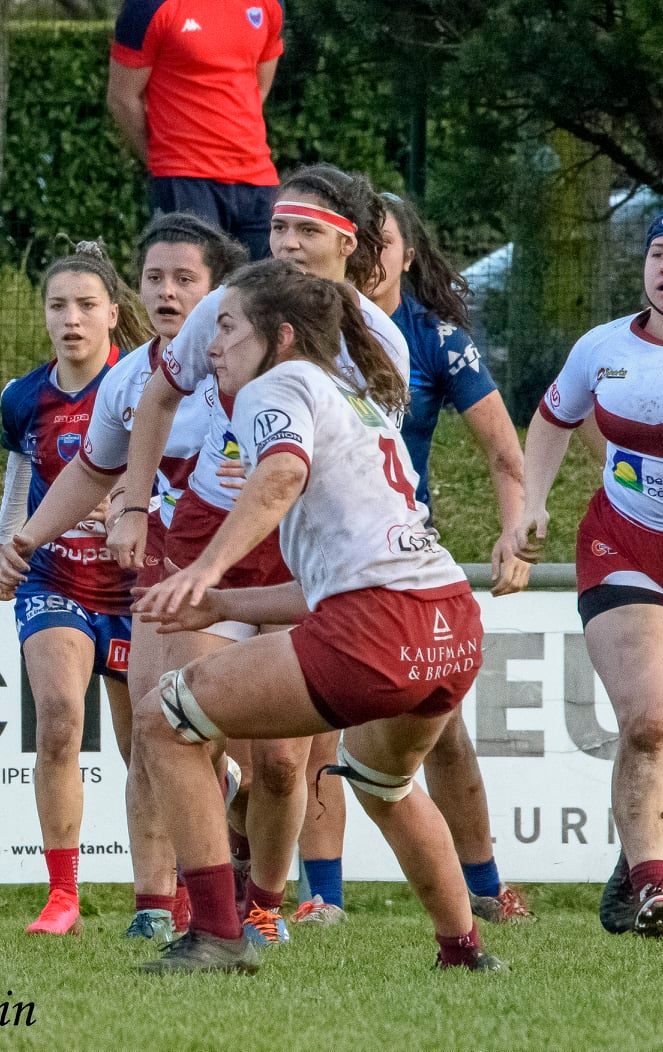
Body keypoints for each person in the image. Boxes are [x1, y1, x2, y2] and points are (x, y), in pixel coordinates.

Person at [132, 259, 500, 973]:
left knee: (161, 719)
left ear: (283, 335)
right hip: (451, 626)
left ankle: (217, 933)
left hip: (378, 629)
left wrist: (206, 565)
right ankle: (464, 950)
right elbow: (338, 579)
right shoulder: (353, 401)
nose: (213, 344)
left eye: (229, 325)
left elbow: (281, 474)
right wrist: (224, 602)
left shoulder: (278, 384)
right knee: (385, 785)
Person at [95, 163, 409, 946]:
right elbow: (159, 398)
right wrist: (136, 507)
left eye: (307, 230)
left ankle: (262, 903)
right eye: (278, 227)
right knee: (170, 718)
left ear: (349, 244)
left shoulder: (379, 342)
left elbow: (338, 476)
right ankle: (196, 913)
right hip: (213, 534)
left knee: (280, 764)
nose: (289, 242)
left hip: (307, 558)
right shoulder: (226, 311)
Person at [287, 190, 532, 925]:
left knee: (443, 726)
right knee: (318, 723)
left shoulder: (433, 338)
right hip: (311, 552)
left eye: (380, 242)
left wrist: (514, 533)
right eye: (356, 239)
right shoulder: (293, 328)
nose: (366, 254)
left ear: (408, 256)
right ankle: (320, 898)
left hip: (398, 559)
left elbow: (503, 451)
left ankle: (484, 886)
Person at [22, 213, 246, 942]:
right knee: (158, 728)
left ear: (216, 290)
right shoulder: (128, 379)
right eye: (155, 277)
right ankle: (160, 905)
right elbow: (91, 472)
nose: (169, 292)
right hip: (159, 578)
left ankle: (253, 896)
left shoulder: (250, 368)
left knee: (246, 755)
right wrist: (24, 539)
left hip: (248, 573)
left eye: (186, 278)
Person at [514, 204, 663, 939]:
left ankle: (654, 848)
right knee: (651, 720)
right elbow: (554, 417)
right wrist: (529, 504)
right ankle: (654, 887)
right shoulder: (602, 347)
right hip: (627, 544)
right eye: (659, 254)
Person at [0, 242, 151, 935]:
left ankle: (161, 900)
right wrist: (6, 542)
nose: (72, 319)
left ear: (114, 312)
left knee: (148, 748)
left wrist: (125, 512)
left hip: (139, 588)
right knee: (57, 719)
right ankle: (63, 898)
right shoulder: (23, 396)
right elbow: (22, 475)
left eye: (87, 305)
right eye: (58, 306)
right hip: (55, 578)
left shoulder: (147, 386)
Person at [107, 0, 284, 260]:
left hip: (259, 180)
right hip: (184, 179)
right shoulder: (147, 6)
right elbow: (122, 98)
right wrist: (163, 159)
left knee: (269, 295)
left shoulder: (271, 4)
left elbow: (258, 87)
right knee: (192, 294)